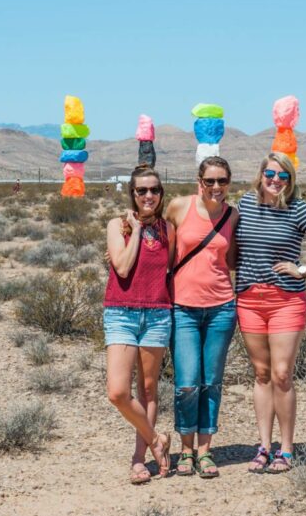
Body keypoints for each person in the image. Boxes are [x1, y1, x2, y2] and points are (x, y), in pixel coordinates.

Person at [235, 153, 306, 474]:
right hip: (249, 300)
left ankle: (286, 449)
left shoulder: (297, 208)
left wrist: (303, 268)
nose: (276, 180)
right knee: (261, 374)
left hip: (286, 301)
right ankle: (263, 447)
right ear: (260, 174)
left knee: (282, 374)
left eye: (283, 176)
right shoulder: (243, 205)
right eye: (270, 173)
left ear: (290, 180)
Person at [164, 156, 238, 478]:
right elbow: (161, 251)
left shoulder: (233, 215)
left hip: (222, 307)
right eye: (210, 181)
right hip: (183, 307)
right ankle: (185, 449)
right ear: (199, 181)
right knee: (186, 383)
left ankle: (205, 451)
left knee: (211, 382)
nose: (217, 187)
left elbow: (233, 259)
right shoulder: (179, 208)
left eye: (222, 181)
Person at [104, 165, 174, 483]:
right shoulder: (117, 225)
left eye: (154, 190)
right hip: (121, 313)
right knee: (118, 391)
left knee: (148, 388)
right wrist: (135, 231)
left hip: (157, 313)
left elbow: (173, 269)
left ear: (161, 194)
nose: (149, 196)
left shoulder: (168, 230)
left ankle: (139, 458)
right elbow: (121, 266)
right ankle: (157, 439)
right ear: (132, 193)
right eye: (142, 190)